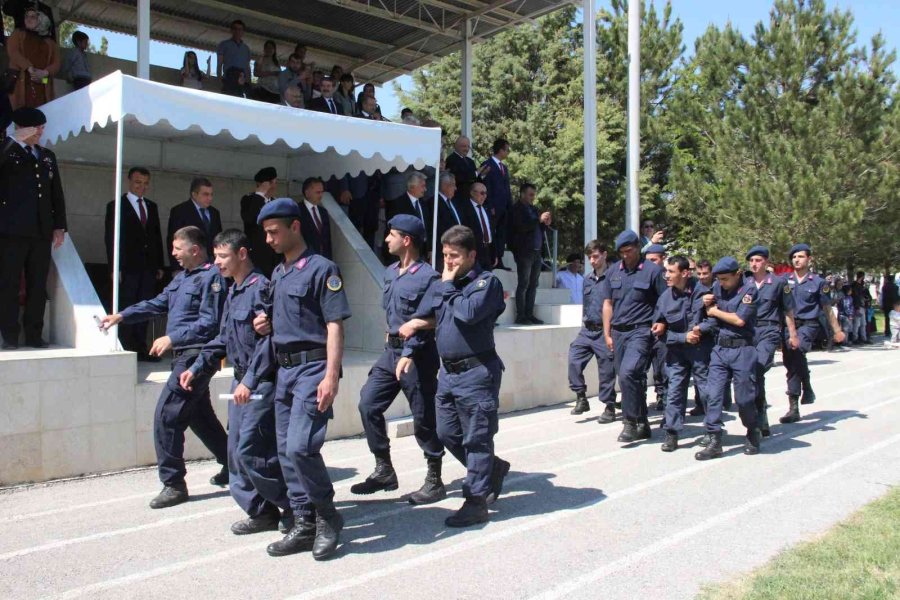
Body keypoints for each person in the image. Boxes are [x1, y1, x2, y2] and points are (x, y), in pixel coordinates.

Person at [99, 226, 229, 508]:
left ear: (194, 250)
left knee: (167, 417)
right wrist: (122, 316)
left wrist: (172, 337)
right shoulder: (181, 279)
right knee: (199, 416)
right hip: (184, 355)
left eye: (177, 248)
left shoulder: (213, 278)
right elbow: (158, 304)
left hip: (197, 357)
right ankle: (234, 464)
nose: (173, 254)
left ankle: (173, 484)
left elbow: (210, 323)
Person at [252, 198, 351, 560]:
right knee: (283, 451)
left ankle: (327, 516)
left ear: (295, 227)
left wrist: (331, 376)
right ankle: (303, 522)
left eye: (274, 232)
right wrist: (264, 323)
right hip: (285, 372)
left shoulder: (323, 269)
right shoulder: (278, 274)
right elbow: (282, 321)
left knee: (300, 447)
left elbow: (334, 325)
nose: (268, 240)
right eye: (265, 233)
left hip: (313, 370)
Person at [179, 230, 291, 535]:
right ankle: (261, 511)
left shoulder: (261, 288)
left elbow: (271, 342)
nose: (217, 263)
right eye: (215, 256)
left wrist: (251, 381)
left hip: (260, 382)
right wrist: (199, 366)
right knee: (234, 454)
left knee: (251, 450)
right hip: (241, 380)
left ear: (242, 254)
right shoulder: (234, 291)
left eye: (223, 256)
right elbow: (223, 338)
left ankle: (295, 505)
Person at [351, 214, 447, 504]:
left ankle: (435, 478)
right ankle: (384, 470)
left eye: (391, 234)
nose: (386, 239)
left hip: (417, 355)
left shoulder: (429, 277)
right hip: (390, 352)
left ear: (406, 240)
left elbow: (433, 318)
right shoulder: (391, 272)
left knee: (423, 418)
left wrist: (409, 349)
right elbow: (393, 313)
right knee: (368, 404)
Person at [434, 225, 510, 526]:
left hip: (476, 371)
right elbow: (434, 315)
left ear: (471, 255)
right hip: (448, 374)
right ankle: (492, 469)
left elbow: (466, 313)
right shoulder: (446, 284)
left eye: (454, 256)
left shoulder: (485, 283)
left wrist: (449, 285)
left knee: (477, 439)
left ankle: (476, 501)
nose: (448, 262)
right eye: (444, 255)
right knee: (446, 433)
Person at [0, 107, 66, 349]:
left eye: (42, 128)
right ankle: (8, 334)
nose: (41, 132)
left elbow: (55, 193)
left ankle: (34, 333)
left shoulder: (47, 156)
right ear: (22, 127)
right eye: (37, 127)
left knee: (38, 284)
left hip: (41, 231)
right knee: (8, 283)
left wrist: (59, 225)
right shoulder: (7, 150)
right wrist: (11, 141)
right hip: (11, 230)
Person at [600, 230, 667, 444]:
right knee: (629, 378)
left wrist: (662, 321)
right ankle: (643, 422)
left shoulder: (652, 271)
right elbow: (607, 304)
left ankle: (629, 421)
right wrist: (607, 333)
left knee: (629, 373)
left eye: (629, 251)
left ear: (638, 248)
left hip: (641, 331)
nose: (626, 255)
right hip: (618, 332)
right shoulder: (613, 272)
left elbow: (664, 300)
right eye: (622, 252)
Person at [695, 257, 760, 459]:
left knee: (744, 399)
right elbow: (709, 314)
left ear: (737, 274)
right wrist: (705, 305)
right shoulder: (716, 288)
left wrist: (714, 310)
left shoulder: (749, 291)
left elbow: (739, 320)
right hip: (720, 349)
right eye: (719, 279)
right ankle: (714, 438)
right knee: (712, 395)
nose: (721, 283)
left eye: (725, 279)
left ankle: (752, 430)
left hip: (742, 349)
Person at [104, 166, 165, 361]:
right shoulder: (116, 205)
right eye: (138, 182)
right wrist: (115, 266)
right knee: (128, 305)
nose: (142, 187)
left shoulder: (152, 206)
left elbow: (156, 237)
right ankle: (127, 346)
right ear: (130, 181)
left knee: (145, 306)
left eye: (146, 183)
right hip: (128, 266)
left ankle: (141, 347)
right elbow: (111, 238)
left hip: (148, 267)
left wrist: (159, 265)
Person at [779, 244, 845, 424]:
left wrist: (837, 330)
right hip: (788, 325)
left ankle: (794, 406)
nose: (796, 260)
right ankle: (806, 385)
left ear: (809, 259)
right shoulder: (784, 280)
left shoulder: (818, 282)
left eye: (800, 256)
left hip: (808, 324)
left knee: (796, 350)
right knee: (790, 361)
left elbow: (827, 308)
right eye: (794, 257)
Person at [652, 255, 711, 451]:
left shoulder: (704, 292)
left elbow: (715, 320)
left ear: (685, 273)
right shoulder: (665, 298)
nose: (666, 276)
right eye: (665, 271)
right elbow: (658, 331)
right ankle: (672, 433)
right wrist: (681, 337)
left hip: (701, 351)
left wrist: (701, 329)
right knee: (675, 391)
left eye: (670, 271)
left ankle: (712, 431)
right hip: (677, 352)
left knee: (706, 391)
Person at [745, 246, 798, 437]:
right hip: (749, 331)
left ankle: (760, 417)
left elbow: (788, 310)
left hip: (768, 330)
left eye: (758, 260)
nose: (754, 263)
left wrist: (792, 335)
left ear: (766, 262)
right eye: (751, 260)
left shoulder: (778, 282)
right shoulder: (745, 282)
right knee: (751, 373)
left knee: (758, 367)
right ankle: (761, 416)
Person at [568, 241, 618, 422]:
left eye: (595, 256)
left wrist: (611, 332)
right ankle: (581, 397)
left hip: (605, 331)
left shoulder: (614, 277)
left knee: (606, 371)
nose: (592, 260)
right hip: (587, 329)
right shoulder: (587, 279)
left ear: (604, 255)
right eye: (589, 257)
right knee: (574, 358)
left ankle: (609, 406)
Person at [510, 183, 550, 325]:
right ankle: (520, 315)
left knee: (533, 284)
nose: (533, 197)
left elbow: (537, 229)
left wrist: (544, 224)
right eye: (530, 194)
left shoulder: (533, 209)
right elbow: (521, 227)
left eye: (534, 194)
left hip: (537, 251)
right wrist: (538, 220)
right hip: (524, 251)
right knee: (524, 284)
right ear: (522, 194)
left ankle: (529, 313)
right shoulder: (516, 209)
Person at [6, 7, 60, 109]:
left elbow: (56, 64)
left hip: (42, 87)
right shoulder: (18, 34)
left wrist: (44, 74)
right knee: (20, 119)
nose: (28, 19)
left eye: (33, 17)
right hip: (20, 86)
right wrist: (29, 68)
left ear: (41, 19)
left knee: (40, 120)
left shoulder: (51, 43)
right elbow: (13, 52)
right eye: (26, 16)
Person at [167, 177, 222, 266]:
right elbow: (172, 240)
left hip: (212, 264)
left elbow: (219, 239)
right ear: (194, 194)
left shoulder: (214, 212)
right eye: (205, 194)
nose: (210, 198)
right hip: (189, 262)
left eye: (211, 194)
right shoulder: (180, 211)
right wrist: (175, 267)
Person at [479, 138, 513, 271]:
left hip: (504, 207)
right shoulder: (487, 165)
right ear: (500, 150)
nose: (508, 152)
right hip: (493, 207)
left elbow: (507, 188)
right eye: (507, 149)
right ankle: (491, 259)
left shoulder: (503, 167)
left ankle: (499, 259)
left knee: (501, 234)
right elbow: (486, 186)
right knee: (491, 233)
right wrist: (490, 204)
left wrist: (509, 206)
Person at [240, 167, 280, 276]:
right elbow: (249, 218)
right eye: (273, 183)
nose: (275, 186)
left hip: (274, 254)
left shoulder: (275, 202)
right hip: (257, 253)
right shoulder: (249, 199)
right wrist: (259, 194)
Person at [644, 243, 668, 411]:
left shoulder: (667, 277)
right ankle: (637, 398)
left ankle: (663, 396)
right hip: (642, 328)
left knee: (661, 367)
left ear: (663, 259)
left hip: (660, 328)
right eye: (648, 260)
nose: (651, 263)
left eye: (654, 260)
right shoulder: (642, 276)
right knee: (639, 367)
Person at [689, 259, 714, 416]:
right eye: (699, 273)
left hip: (713, 333)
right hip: (698, 333)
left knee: (714, 371)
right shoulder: (694, 286)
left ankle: (720, 399)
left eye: (705, 273)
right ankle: (700, 403)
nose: (702, 276)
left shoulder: (717, 286)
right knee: (699, 370)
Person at [386, 171, 432, 248]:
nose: (425, 189)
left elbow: (429, 226)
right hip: (406, 250)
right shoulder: (398, 204)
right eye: (422, 186)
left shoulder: (424, 203)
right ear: (412, 187)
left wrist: (430, 249)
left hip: (423, 249)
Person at [458, 182, 495, 270]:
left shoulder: (486, 209)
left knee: (487, 280)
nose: (484, 196)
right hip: (473, 252)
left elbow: (491, 231)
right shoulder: (464, 209)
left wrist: (495, 253)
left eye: (486, 193)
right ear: (472, 193)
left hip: (487, 251)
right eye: (482, 193)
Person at [297, 177, 333, 259]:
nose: (320, 196)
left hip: (323, 261)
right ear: (307, 193)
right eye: (317, 192)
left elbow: (327, 240)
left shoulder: (323, 212)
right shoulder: (297, 210)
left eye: (322, 192)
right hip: (305, 260)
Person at [434, 171, 462, 272]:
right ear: (445, 186)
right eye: (453, 185)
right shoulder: (435, 202)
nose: (456, 188)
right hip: (442, 252)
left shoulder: (452, 202)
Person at [217, 20, 251, 89]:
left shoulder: (246, 48)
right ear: (231, 30)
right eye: (235, 29)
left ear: (243, 32)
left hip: (242, 79)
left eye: (240, 29)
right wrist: (219, 79)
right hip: (229, 77)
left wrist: (248, 82)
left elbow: (248, 67)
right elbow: (219, 63)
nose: (237, 31)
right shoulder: (224, 44)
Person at [444, 136, 477, 204]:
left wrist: (482, 175)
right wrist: (475, 174)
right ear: (456, 146)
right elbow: (458, 177)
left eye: (468, 146)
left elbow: (475, 179)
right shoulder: (451, 159)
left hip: (471, 198)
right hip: (458, 197)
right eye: (464, 146)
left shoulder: (470, 161)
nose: (466, 149)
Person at [851, 271, 872, 344]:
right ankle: (855, 338)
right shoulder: (855, 285)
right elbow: (856, 297)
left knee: (863, 323)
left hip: (862, 305)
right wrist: (856, 307)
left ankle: (864, 338)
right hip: (858, 306)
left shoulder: (861, 285)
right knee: (857, 323)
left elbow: (863, 295)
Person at [882, 274, 898, 338]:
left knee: (887, 318)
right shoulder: (895, 287)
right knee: (895, 318)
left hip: (886, 304)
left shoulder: (884, 287)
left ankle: (887, 331)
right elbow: (896, 296)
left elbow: (883, 297)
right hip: (893, 304)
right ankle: (894, 332)